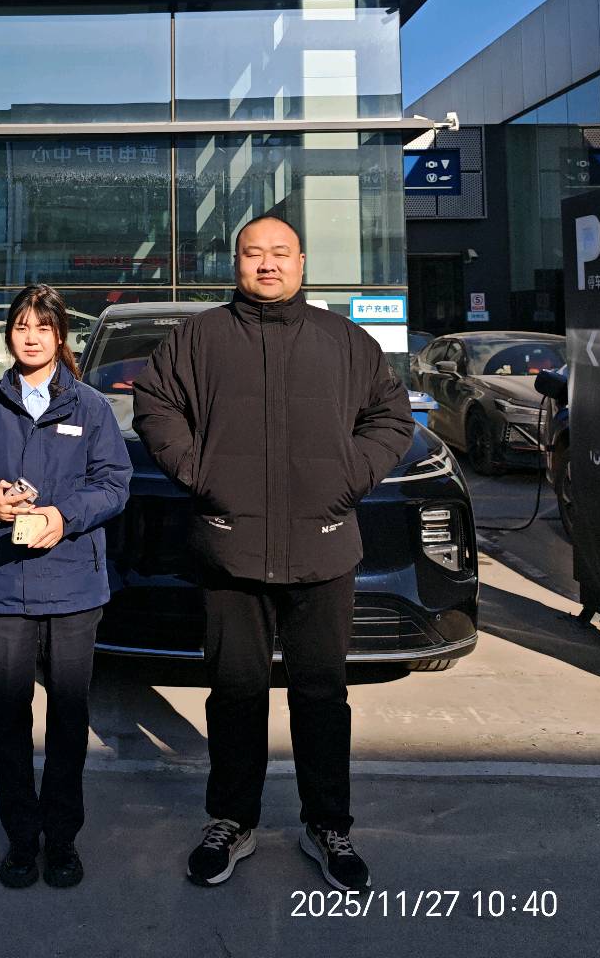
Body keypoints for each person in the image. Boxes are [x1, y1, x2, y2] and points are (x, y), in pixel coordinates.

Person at [132, 216, 412, 893]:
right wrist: (201, 473)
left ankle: (327, 824)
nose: (267, 264)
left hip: (323, 546)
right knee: (235, 693)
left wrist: (349, 477)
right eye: (253, 253)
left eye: (279, 253)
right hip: (231, 546)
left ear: (301, 262)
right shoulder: (199, 338)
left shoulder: (344, 340)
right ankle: (232, 820)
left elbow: (391, 417)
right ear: (235, 263)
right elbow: (155, 405)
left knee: (322, 694)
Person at [0, 283, 131, 890]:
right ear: (9, 335)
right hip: (4, 585)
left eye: (42, 327)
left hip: (74, 584)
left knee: (69, 720)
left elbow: (115, 484)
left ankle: (63, 838)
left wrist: (63, 515)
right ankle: (22, 840)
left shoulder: (90, 407)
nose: (31, 337)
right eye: (21, 326)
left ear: (60, 336)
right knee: (8, 718)